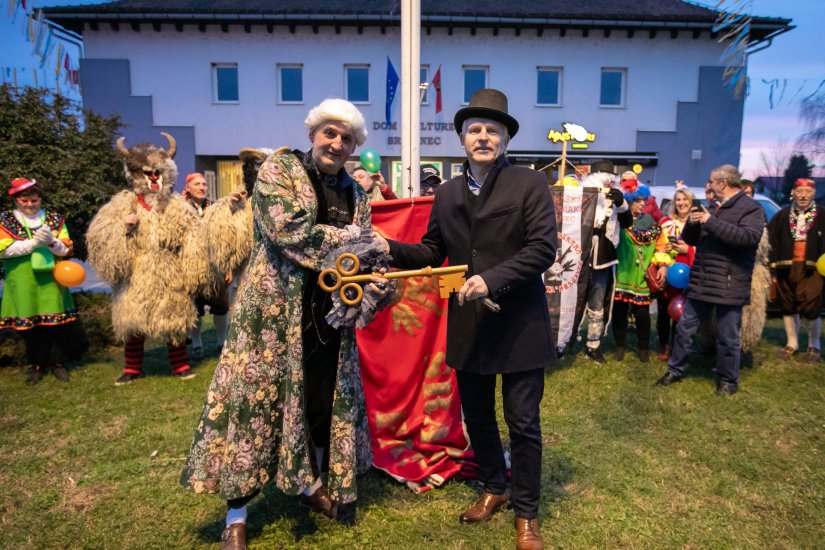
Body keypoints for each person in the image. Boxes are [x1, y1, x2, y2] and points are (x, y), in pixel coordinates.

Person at [181, 99, 386, 550]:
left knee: (318, 401)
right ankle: (236, 514)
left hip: (329, 316)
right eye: (329, 133)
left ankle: (309, 485)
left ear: (355, 147)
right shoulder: (280, 170)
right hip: (273, 316)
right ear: (313, 133)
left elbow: (367, 255)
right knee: (254, 405)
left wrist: (377, 277)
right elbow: (287, 230)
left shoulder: (356, 192)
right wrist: (354, 240)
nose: (336, 143)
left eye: (346, 138)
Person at [375, 89, 557, 550]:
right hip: (467, 321)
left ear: (506, 140)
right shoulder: (449, 192)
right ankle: (494, 487)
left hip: (519, 322)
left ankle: (527, 514)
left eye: (492, 130)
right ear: (461, 139)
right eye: (474, 130)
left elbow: (542, 249)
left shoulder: (530, 184)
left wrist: (492, 280)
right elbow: (434, 252)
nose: (483, 137)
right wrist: (387, 247)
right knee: (477, 415)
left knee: (523, 421)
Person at [86, 133, 204, 385]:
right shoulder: (123, 204)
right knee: (132, 322)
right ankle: (131, 368)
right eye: (148, 174)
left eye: (157, 173)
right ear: (136, 175)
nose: (153, 178)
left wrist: (191, 270)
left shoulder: (178, 206)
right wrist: (123, 228)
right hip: (135, 275)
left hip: (169, 273)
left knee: (174, 321)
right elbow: (100, 237)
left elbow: (194, 239)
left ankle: (180, 365)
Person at [657, 164, 764, 395]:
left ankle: (728, 381)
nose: (710, 185)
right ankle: (675, 369)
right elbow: (692, 240)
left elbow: (747, 238)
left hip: (729, 283)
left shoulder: (750, 208)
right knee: (685, 328)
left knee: (727, 336)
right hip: (702, 280)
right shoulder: (712, 207)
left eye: (712, 181)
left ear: (722, 183)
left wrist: (709, 221)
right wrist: (694, 225)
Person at [0, 178, 77, 384]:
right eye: (24, 201)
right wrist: (34, 242)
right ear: (16, 200)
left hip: (51, 280)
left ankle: (58, 364)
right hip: (22, 280)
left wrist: (51, 241)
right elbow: (5, 251)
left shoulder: (54, 219)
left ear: (40, 199)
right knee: (30, 328)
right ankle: (36, 366)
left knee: (56, 326)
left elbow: (67, 250)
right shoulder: (5, 220)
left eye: (34, 200)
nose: (30, 204)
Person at [767, 177, 825, 363]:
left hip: (813, 269)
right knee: (788, 305)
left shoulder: (822, 216)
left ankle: (814, 345)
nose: (803, 196)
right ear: (793, 193)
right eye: (799, 191)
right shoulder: (782, 216)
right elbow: (770, 239)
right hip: (786, 267)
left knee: (811, 306)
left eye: (807, 192)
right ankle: (792, 343)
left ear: (813, 194)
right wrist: (772, 264)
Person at [612, 181, 670, 363]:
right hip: (622, 273)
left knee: (642, 314)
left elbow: (661, 246)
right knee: (619, 312)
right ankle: (620, 346)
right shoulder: (617, 220)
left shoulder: (651, 222)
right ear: (628, 201)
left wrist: (661, 265)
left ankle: (643, 349)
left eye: (643, 200)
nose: (642, 204)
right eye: (637, 200)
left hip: (642, 277)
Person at [579, 165, 632, 364]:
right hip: (578, 260)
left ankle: (593, 346)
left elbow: (627, 223)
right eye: (605, 180)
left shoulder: (617, 202)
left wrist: (623, 204)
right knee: (568, 302)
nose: (609, 184)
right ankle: (560, 342)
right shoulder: (583, 199)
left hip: (603, 260)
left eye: (612, 180)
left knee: (597, 304)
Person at [182, 172, 229, 358]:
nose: (202, 187)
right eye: (197, 184)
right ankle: (196, 344)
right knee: (194, 309)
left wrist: (228, 267)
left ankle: (221, 342)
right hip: (190, 270)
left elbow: (226, 239)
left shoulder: (216, 209)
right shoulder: (179, 210)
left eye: (204, 184)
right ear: (188, 188)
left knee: (221, 306)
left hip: (216, 269)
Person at [655, 187, 697, 360]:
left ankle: (679, 348)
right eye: (678, 200)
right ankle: (664, 346)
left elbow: (705, 248)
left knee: (682, 314)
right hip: (668, 272)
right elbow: (658, 247)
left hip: (688, 272)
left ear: (691, 202)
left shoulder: (697, 224)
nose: (681, 203)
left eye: (685, 199)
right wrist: (663, 266)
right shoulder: (665, 223)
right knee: (664, 311)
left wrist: (689, 249)